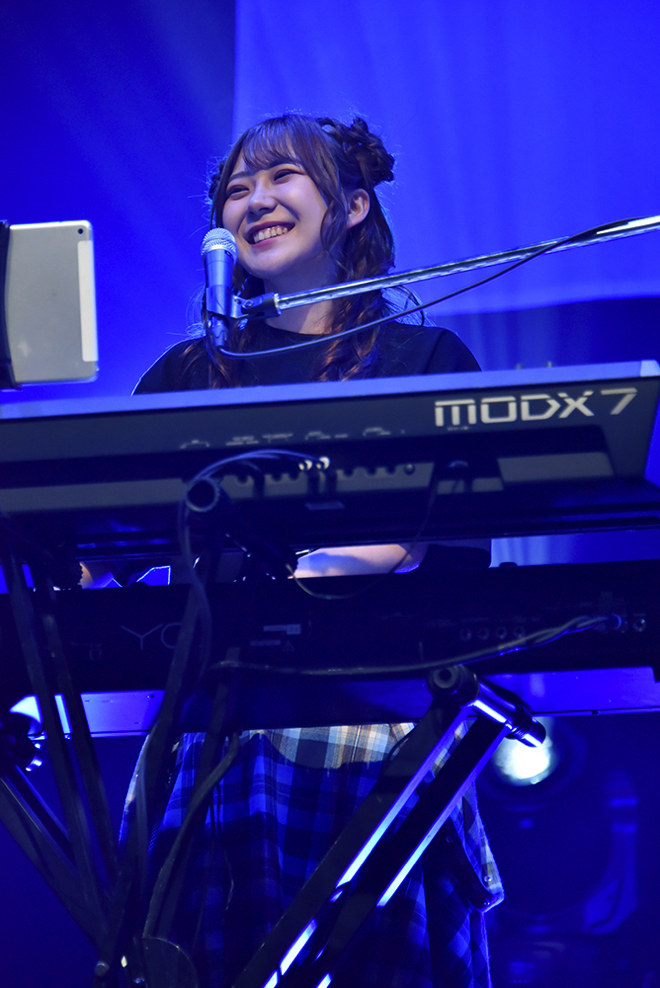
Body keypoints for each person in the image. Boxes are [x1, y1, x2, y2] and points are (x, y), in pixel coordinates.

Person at [128, 113, 503, 988]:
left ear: (353, 207)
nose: (254, 200)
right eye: (236, 189)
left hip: (363, 729)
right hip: (205, 735)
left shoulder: (422, 359)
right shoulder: (187, 375)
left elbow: (421, 536)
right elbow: (107, 536)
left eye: (282, 178)